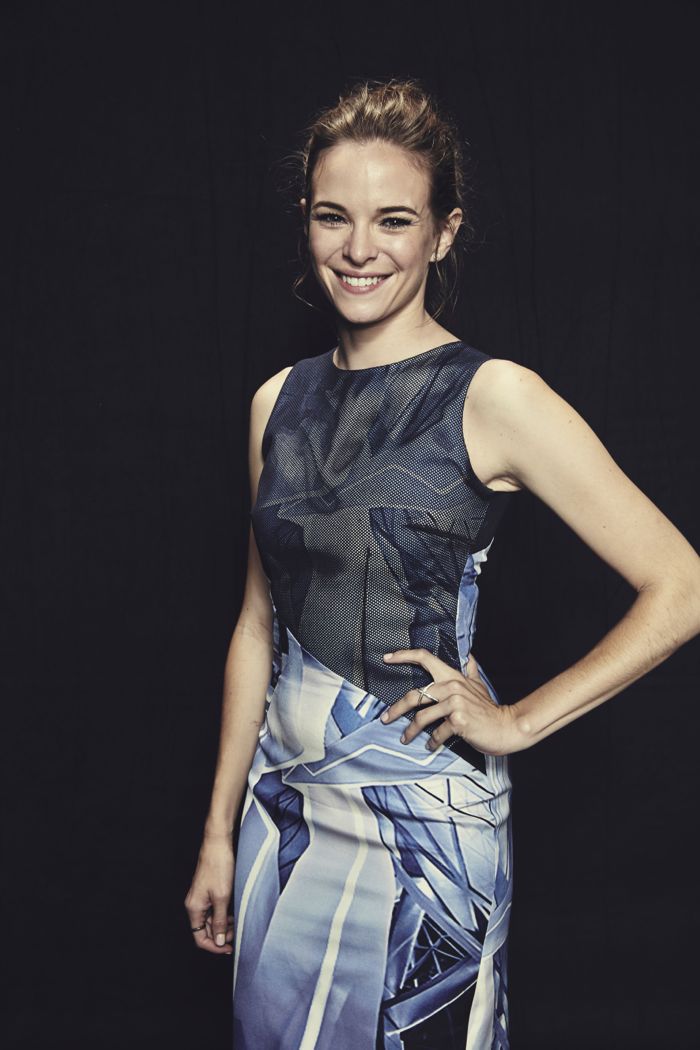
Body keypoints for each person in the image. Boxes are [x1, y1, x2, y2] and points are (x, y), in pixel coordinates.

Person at [184, 78, 700, 1049]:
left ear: (443, 232)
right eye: (332, 216)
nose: (359, 248)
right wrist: (218, 830)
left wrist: (516, 721)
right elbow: (257, 627)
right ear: (306, 222)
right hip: (282, 809)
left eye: (393, 220)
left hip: (426, 816)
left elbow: (683, 586)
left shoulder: (494, 396)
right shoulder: (274, 403)